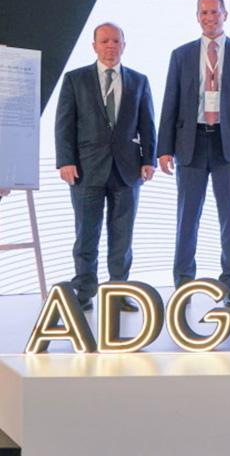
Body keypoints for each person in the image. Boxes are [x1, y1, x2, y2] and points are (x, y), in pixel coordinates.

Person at [157, 0, 230, 308]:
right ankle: (183, 284)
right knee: (187, 218)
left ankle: (229, 283)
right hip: (190, 144)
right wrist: (164, 149)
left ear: (225, 15)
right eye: (204, 12)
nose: (209, 17)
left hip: (229, 145)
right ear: (197, 16)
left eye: (215, 12)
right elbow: (170, 101)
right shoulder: (182, 55)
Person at [54, 23, 156, 311]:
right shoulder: (75, 79)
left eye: (115, 41)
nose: (110, 46)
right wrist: (65, 160)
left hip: (127, 170)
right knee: (86, 234)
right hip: (85, 169)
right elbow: (64, 124)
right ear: (94, 46)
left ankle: (118, 292)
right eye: (104, 41)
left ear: (124, 45)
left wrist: (148, 159)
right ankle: (84, 292)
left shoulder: (139, 80)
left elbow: (148, 124)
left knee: (122, 235)